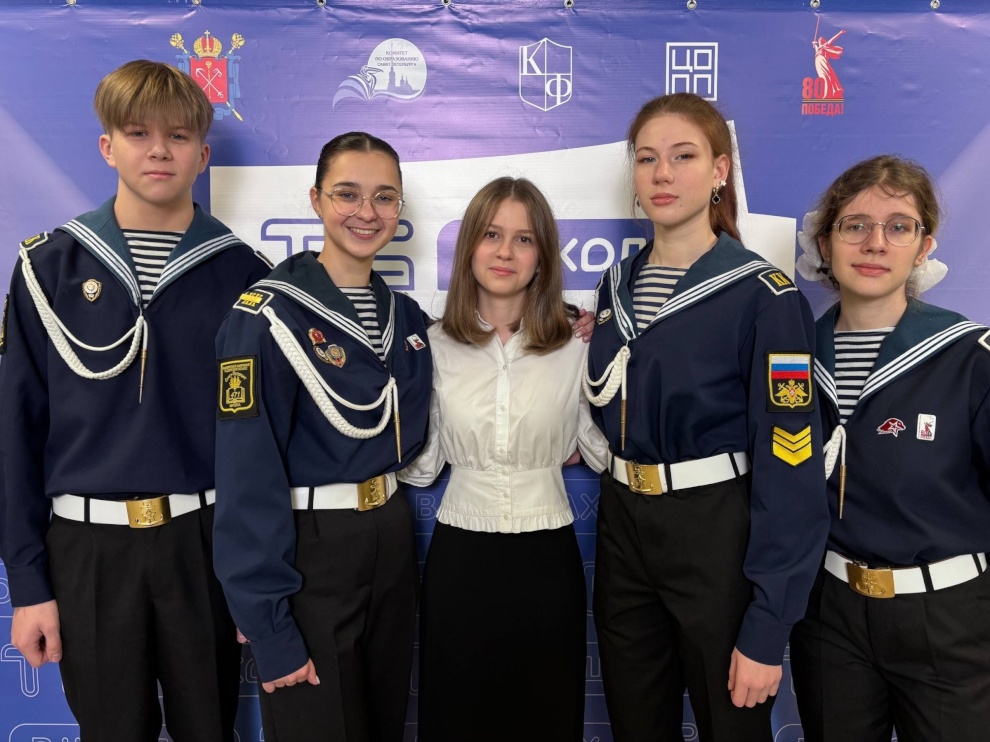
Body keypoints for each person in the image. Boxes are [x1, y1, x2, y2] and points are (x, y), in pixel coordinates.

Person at [0, 60, 272, 740]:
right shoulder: (48, 267)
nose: (159, 151)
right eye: (138, 133)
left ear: (202, 155)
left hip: (202, 546)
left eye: (178, 136)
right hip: (87, 549)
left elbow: (260, 444)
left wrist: (255, 575)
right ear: (107, 146)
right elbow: (14, 434)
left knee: (208, 728)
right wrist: (28, 585)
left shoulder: (245, 276)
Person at [584, 92, 829, 742]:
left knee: (732, 726)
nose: (662, 174)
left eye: (683, 156)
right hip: (623, 525)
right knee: (636, 723)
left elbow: (791, 464)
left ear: (720, 170)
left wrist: (769, 621)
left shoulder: (764, 297)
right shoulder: (614, 286)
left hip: (716, 532)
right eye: (646, 158)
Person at [212, 131, 432, 742]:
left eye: (384, 197)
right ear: (315, 199)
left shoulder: (406, 318)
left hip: (389, 538)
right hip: (308, 550)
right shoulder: (267, 315)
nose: (367, 212)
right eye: (347, 193)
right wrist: (268, 622)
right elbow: (246, 475)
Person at [399, 177, 608, 742]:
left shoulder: (579, 343)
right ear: (469, 245)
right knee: (456, 719)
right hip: (460, 562)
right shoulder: (432, 345)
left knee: (546, 718)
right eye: (491, 234)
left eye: (524, 239)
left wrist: (608, 342)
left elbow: (604, 451)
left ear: (543, 257)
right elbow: (421, 465)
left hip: (548, 561)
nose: (505, 252)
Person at [789, 155, 990, 742]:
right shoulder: (791, 357)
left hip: (948, 616)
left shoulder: (968, 356)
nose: (875, 243)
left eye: (898, 226)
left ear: (923, 247)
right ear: (824, 243)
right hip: (831, 616)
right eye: (854, 225)